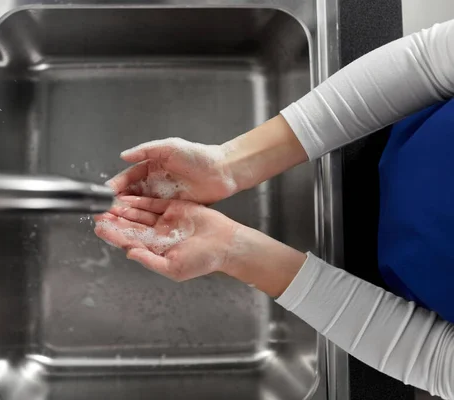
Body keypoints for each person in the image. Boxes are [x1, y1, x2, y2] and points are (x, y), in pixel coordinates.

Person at [94, 18, 454, 399]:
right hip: (379, 140)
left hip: (398, 295)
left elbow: (433, 359)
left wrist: (233, 249)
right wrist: (230, 165)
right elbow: (428, 63)